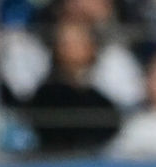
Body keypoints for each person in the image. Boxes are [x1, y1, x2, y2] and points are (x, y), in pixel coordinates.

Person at [26, 18, 121, 155]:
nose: (70, 47)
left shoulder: (102, 94)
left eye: (77, 41)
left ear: (91, 46)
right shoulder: (45, 96)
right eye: (65, 42)